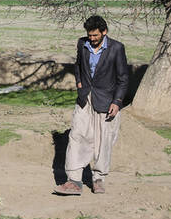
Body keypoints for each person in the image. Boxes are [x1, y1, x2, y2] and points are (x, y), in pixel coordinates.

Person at [54, 15, 129, 196]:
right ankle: (74, 181)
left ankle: (99, 179)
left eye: (96, 35)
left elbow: (123, 79)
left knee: (104, 141)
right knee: (77, 135)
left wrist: (117, 102)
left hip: (106, 100)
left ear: (104, 32)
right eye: (90, 35)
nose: (92, 39)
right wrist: (79, 84)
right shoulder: (82, 44)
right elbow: (78, 65)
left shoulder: (116, 48)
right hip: (84, 98)